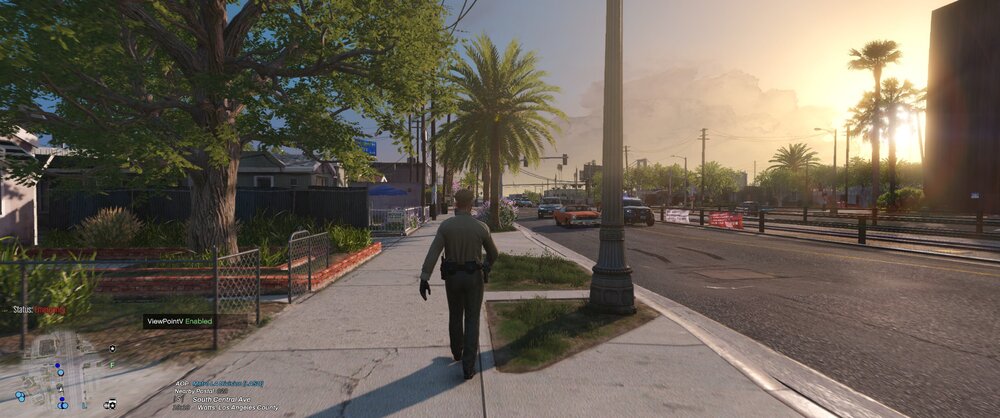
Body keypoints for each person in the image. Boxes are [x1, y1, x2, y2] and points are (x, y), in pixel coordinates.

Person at [419, 189, 498, 380]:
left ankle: (456, 352)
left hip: (452, 278)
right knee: (472, 318)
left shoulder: (446, 226)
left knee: (455, 315)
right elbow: (494, 253)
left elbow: (433, 253)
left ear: (456, 203)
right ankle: (468, 367)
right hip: (473, 278)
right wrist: (486, 266)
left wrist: (424, 277)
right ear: (471, 204)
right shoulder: (480, 227)